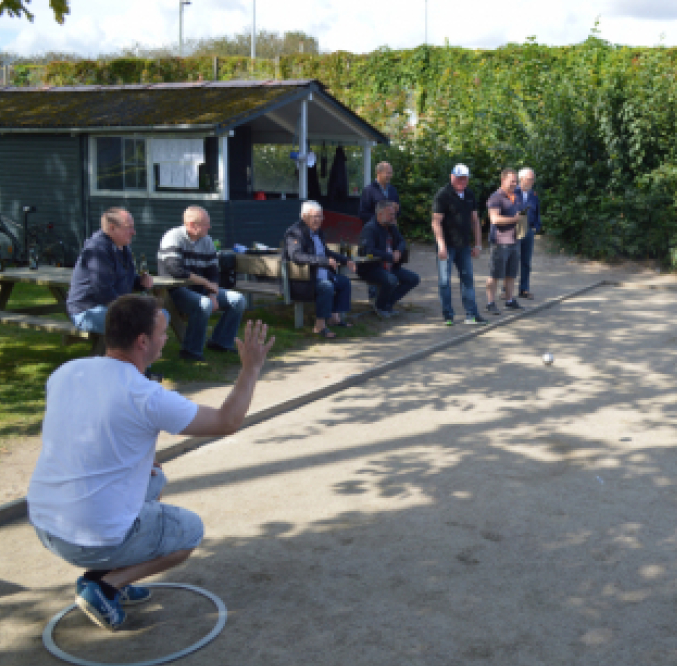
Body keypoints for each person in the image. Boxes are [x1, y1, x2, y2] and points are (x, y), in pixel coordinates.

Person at [28, 294, 275, 631]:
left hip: (45, 523)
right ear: (142, 341)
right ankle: (104, 585)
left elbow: (85, 431)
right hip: (89, 536)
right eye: (163, 333)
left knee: (154, 478)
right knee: (190, 531)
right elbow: (226, 420)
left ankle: (112, 573)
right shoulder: (144, 395)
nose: (167, 339)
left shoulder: (65, 372)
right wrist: (251, 369)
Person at [158, 206, 247, 361]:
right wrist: (205, 283)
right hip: (176, 291)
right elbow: (176, 270)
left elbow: (213, 272)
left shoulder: (207, 240)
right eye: (206, 224)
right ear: (192, 225)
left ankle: (220, 342)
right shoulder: (172, 237)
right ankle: (191, 351)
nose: (210, 227)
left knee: (238, 300)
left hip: (202, 290)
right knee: (204, 304)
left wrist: (213, 293)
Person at [67, 208, 152, 333]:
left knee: (160, 315)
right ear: (112, 228)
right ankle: (127, 352)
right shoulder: (98, 249)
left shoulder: (123, 247)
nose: (133, 232)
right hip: (88, 311)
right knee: (137, 322)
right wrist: (131, 308)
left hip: (111, 307)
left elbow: (126, 278)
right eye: (129, 227)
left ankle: (143, 352)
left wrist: (140, 282)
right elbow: (103, 290)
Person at [284, 201, 356, 339]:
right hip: (302, 281)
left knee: (344, 282)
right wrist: (324, 261)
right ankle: (319, 326)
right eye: (315, 216)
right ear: (304, 216)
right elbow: (297, 256)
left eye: (321, 216)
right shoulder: (294, 233)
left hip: (319, 276)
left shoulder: (318, 233)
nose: (319, 220)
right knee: (326, 286)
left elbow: (326, 252)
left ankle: (334, 318)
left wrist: (345, 260)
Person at [432, 164, 487, 326]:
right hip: (447, 245)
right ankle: (448, 315)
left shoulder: (469, 194)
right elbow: (436, 222)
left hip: (463, 245)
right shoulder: (443, 195)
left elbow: (475, 220)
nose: (462, 181)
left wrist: (478, 244)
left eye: (465, 178)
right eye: (459, 178)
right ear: (452, 177)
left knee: (468, 279)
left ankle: (471, 315)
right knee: (444, 281)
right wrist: (441, 245)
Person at [357, 200, 420, 317]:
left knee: (413, 279)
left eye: (394, 214)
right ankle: (379, 307)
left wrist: (398, 251)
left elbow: (402, 241)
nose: (393, 217)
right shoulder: (370, 228)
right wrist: (390, 256)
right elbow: (368, 250)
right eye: (390, 214)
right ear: (380, 214)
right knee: (392, 280)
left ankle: (387, 304)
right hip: (372, 268)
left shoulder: (391, 227)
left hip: (390, 267)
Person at [485, 168, 525, 315]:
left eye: (516, 181)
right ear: (503, 180)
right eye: (512, 181)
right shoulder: (495, 197)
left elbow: (520, 216)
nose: (515, 184)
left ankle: (509, 300)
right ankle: (490, 303)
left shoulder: (515, 196)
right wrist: (515, 219)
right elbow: (494, 219)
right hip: (499, 242)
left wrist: (523, 226)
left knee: (511, 273)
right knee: (494, 274)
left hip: (515, 240)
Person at [516, 167, 542, 299]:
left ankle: (524, 289)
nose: (532, 181)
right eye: (529, 179)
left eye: (533, 179)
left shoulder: (534, 194)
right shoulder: (513, 192)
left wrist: (536, 226)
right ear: (521, 179)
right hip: (515, 229)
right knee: (512, 259)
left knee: (526, 261)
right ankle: (505, 289)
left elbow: (537, 211)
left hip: (529, 229)